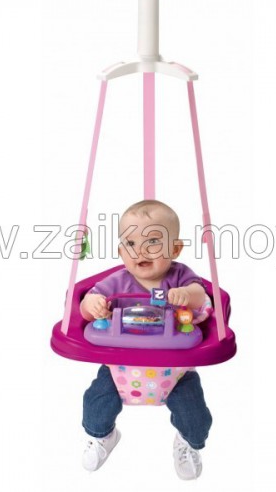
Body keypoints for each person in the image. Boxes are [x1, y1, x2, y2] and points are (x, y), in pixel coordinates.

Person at [79, 200, 212, 480]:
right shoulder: (117, 281)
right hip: (120, 367)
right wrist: (92, 305)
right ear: (121, 252)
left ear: (174, 249)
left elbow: (202, 295)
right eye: (130, 243)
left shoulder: (180, 276)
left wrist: (187, 295)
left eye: (153, 241)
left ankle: (188, 442)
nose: (140, 250)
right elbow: (85, 304)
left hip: (176, 369)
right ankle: (103, 436)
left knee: (195, 416)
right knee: (96, 403)